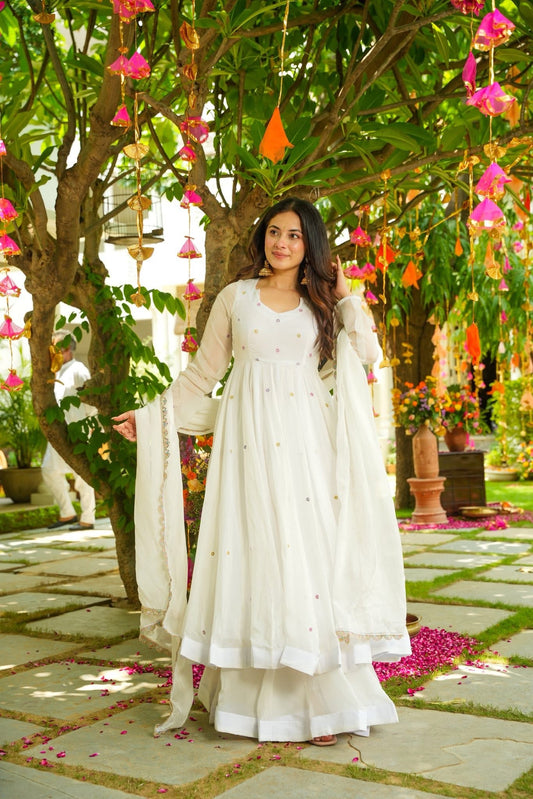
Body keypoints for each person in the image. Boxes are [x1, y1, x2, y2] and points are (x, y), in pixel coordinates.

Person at [113, 197, 410, 745]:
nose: (282, 243)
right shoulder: (236, 297)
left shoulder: (321, 303)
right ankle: (249, 705)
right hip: (246, 447)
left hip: (306, 446)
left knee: (306, 558)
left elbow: (367, 354)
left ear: (310, 244)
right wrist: (152, 415)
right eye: (275, 232)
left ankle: (321, 707)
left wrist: (346, 293)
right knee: (252, 553)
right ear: (262, 238)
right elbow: (202, 375)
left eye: (294, 235)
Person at [43, 332, 96, 531]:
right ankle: (67, 513)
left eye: (56, 347)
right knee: (49, 470)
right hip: (59, 432)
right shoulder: (55, 373)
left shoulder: (78, 370)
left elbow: (91, 400)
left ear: (67, 349)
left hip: (79, 430)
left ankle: (88, 518)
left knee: (82, 475)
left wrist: (90, 428)